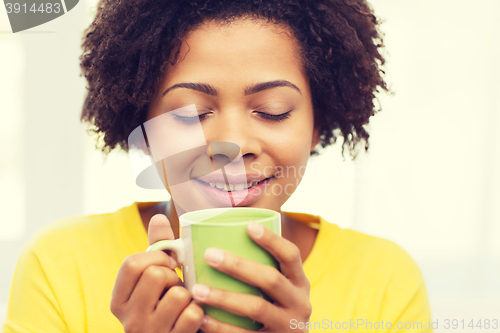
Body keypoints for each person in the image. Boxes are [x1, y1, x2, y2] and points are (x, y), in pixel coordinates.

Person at [3, 0, 433, 332]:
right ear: (145, 130)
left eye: (272, 110)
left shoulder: (383, 281)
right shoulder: (61, 264)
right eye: (189, 115)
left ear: (317, 125)